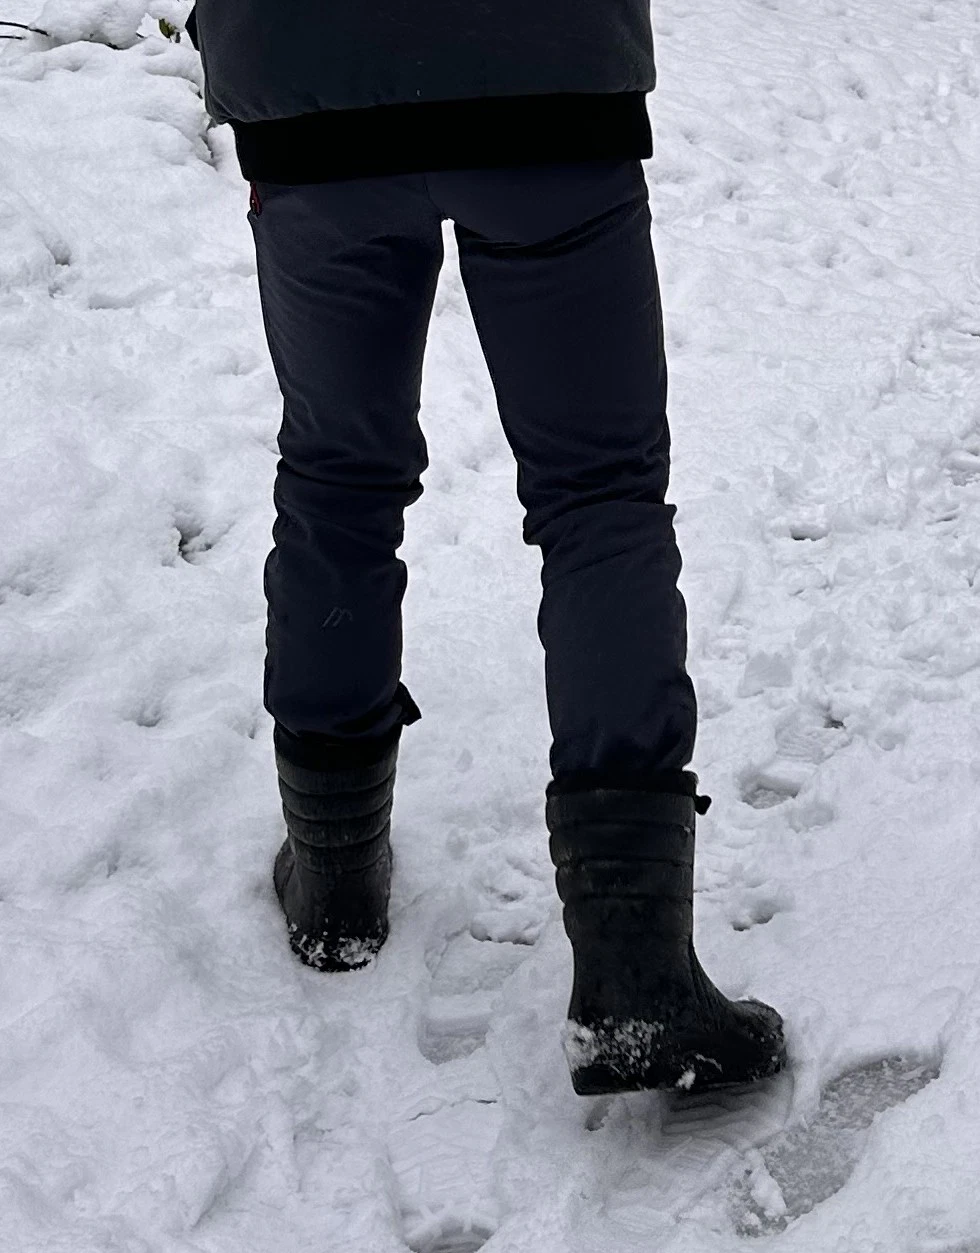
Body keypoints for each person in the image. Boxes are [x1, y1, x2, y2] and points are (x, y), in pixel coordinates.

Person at [187, 1, 785, 1095]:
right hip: (542, 72)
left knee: (337, 476)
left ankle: (334, 882)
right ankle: (637, 973)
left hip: (306, 79)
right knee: (599, 494)